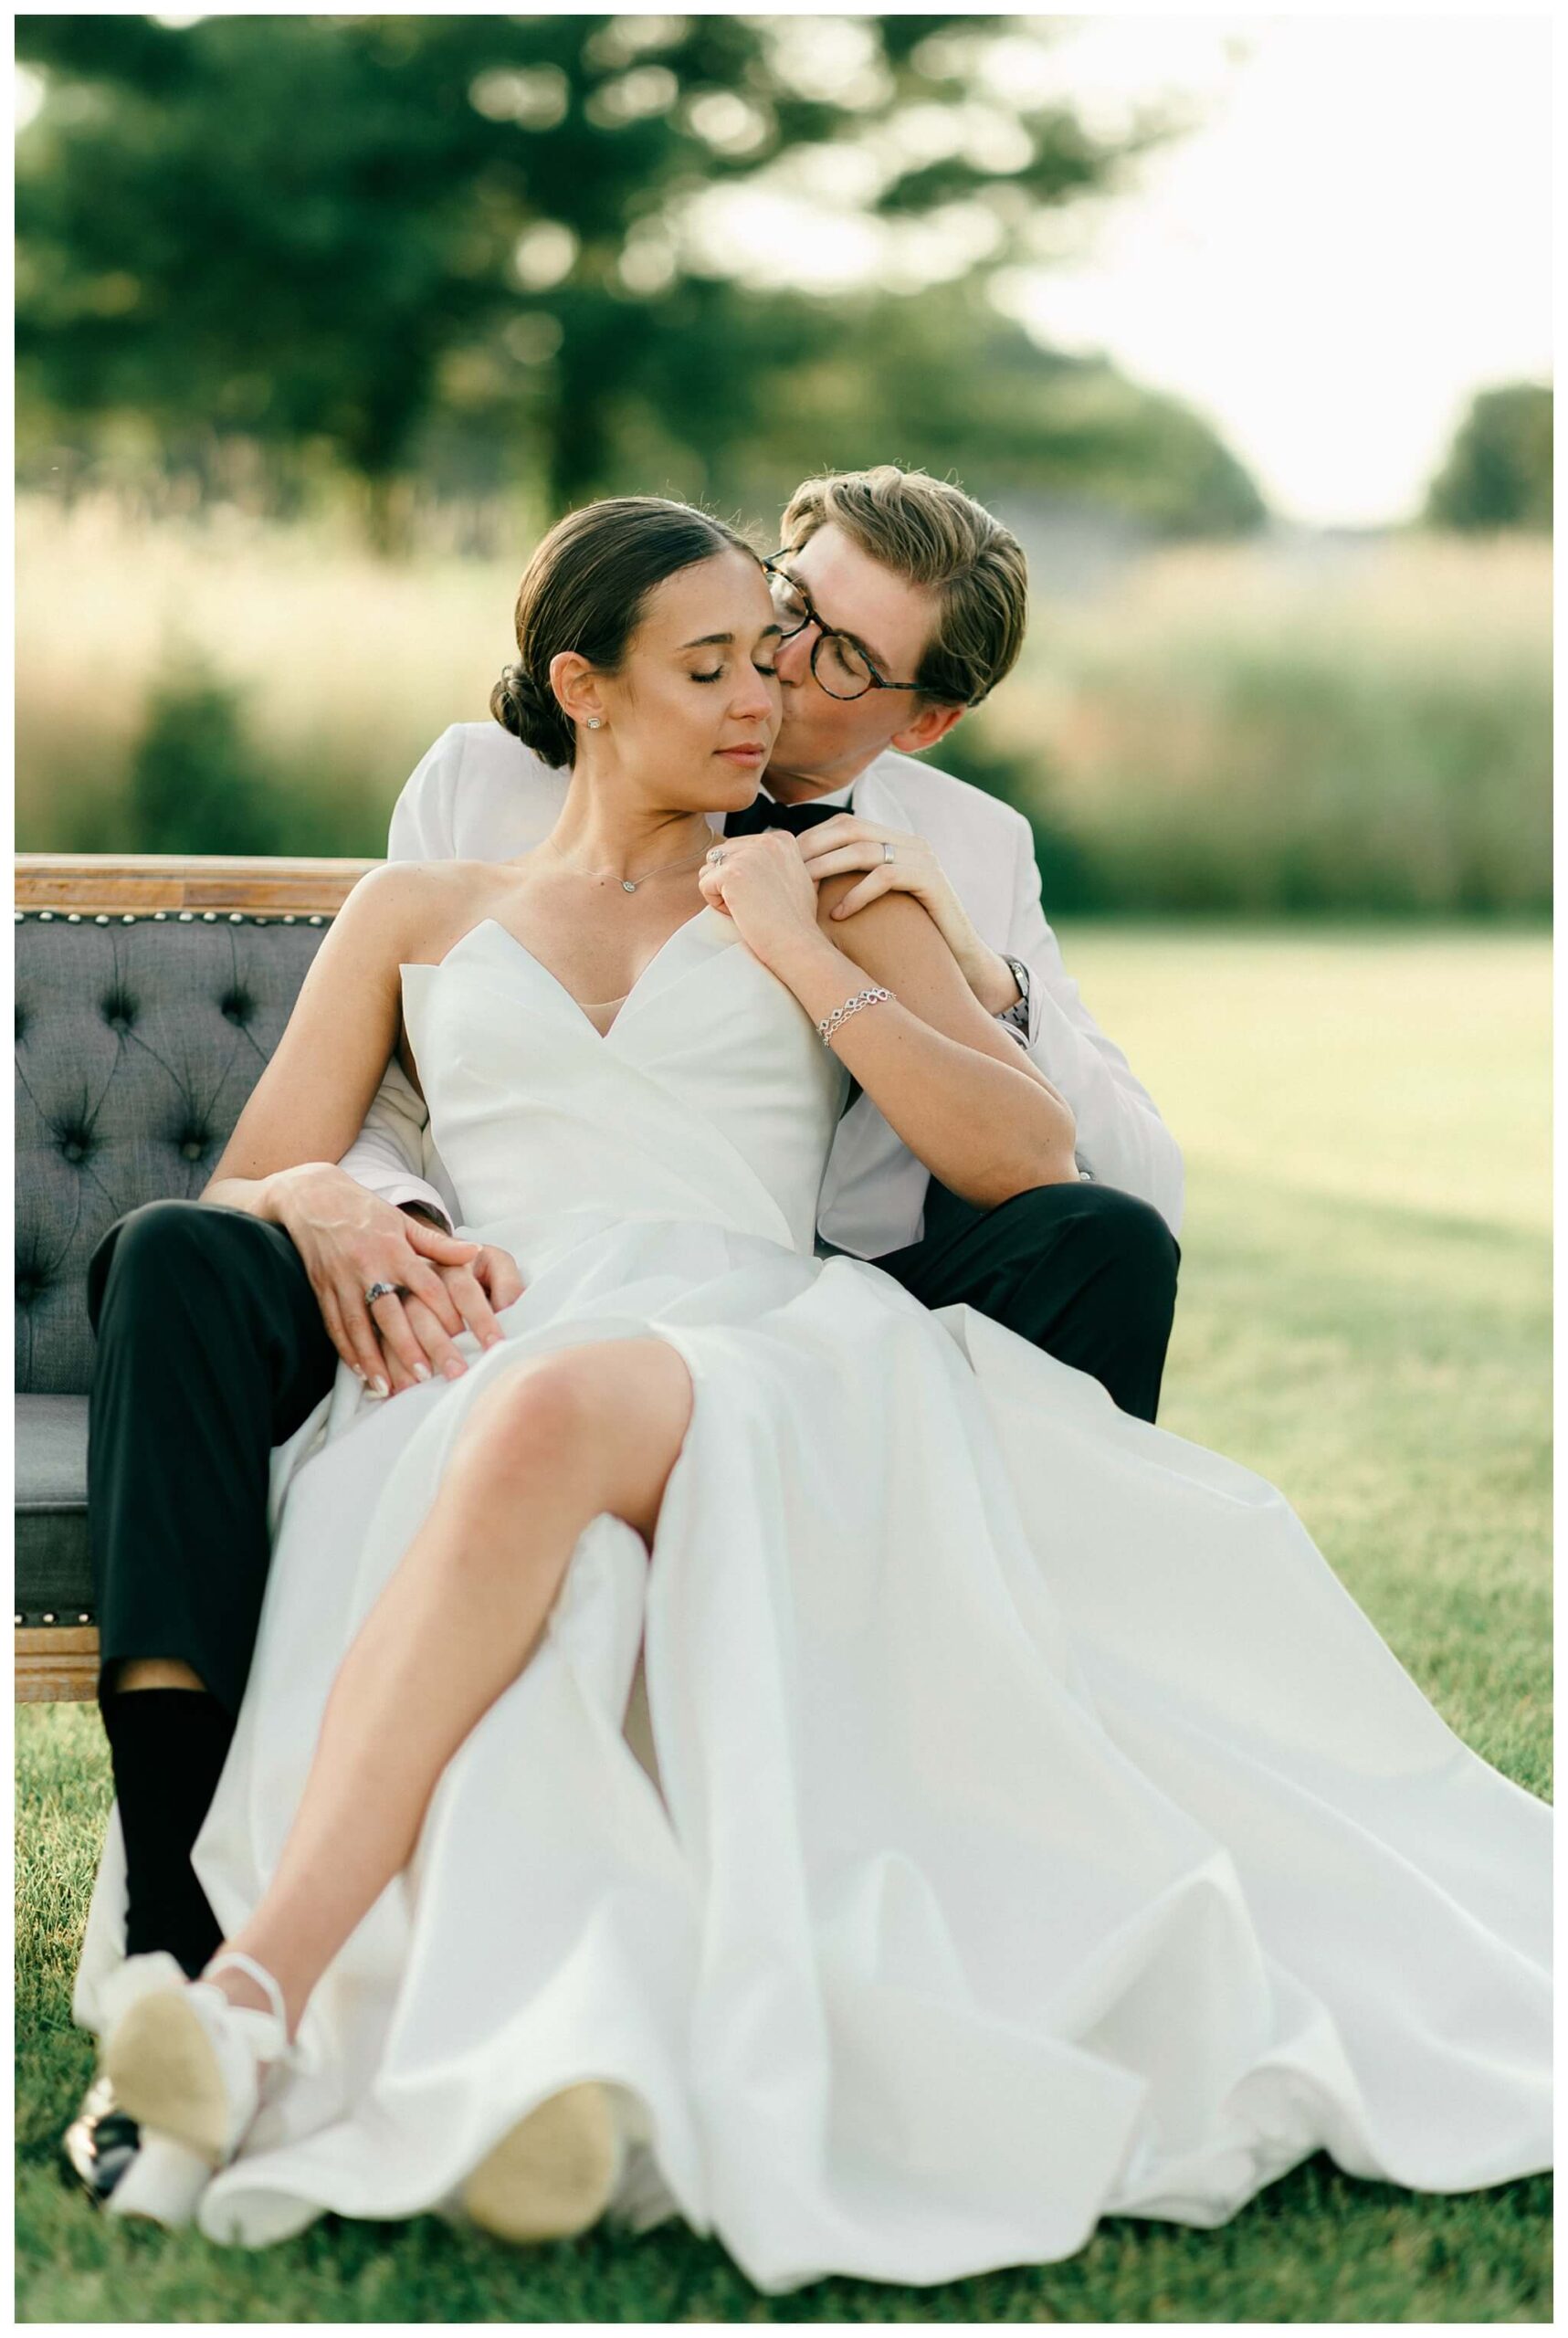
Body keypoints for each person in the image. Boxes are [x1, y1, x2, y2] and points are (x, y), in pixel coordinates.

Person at [76, 500, 1547, 2288]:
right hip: (487, 1329)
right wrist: (309, 1192)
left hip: (764, 1334)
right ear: (582, 689)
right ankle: (544, 2050)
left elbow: (1033, 1155)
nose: (764, 696)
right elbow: (257, 1173)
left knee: (549, 1419)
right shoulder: (422, 899)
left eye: (772, 661)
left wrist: (807, 949)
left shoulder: (830, 877)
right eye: (720, 662)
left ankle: (250, 1996)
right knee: (514, 1461)